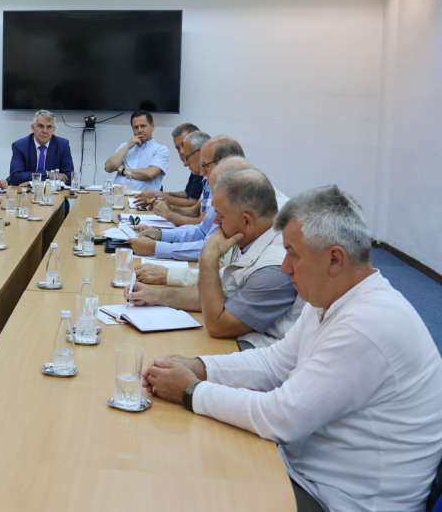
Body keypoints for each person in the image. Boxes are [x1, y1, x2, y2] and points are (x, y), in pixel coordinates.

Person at [143, 186, 442, 512]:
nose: (285, 267)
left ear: (335, 259)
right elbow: (275, 363)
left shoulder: (367, 325)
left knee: (193, 489)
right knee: (187, 462)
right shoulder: (334, 296)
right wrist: (200, 367)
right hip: (309, 471)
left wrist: (191, 391)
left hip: (340, 500)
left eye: (293, 254)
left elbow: (281, 417)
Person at [128, 168, 302, 349]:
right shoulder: (251, 237)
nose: (216, 221)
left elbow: (219, 325)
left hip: (257, 350)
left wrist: (208, 258)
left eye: (221, 215)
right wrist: (155, 295)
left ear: (246, 220)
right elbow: (217, 292)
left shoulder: (274, 268)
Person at [135, 122, 202, 208]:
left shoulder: (204, 167)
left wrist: (159, 197)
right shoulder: (195, 167)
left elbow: (193, 203)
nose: (181, 152)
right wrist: (159, 194)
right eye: (178, 148)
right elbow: (187, 194)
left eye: (183, 145)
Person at [103, 110, 170, 191]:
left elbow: (149, 174)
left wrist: (123, 170)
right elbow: (108, 168)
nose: (139, 130)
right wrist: (127, 146)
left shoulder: (161, 149)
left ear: (152, 127)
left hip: (144, 197)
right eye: (136, 127)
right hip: (119, 195)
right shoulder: (125, 146)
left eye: (143, 126)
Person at [8, 109, 74, 185]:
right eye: (40, 126)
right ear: (33, 128)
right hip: (26, 191)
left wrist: (31, 181)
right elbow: (15, 177)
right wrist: (48, 174)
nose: (45, 131)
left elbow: (69, 177)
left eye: (49, 127)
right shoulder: (20, 146)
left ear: (53, 130)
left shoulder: (62, 145)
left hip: (53, 191)